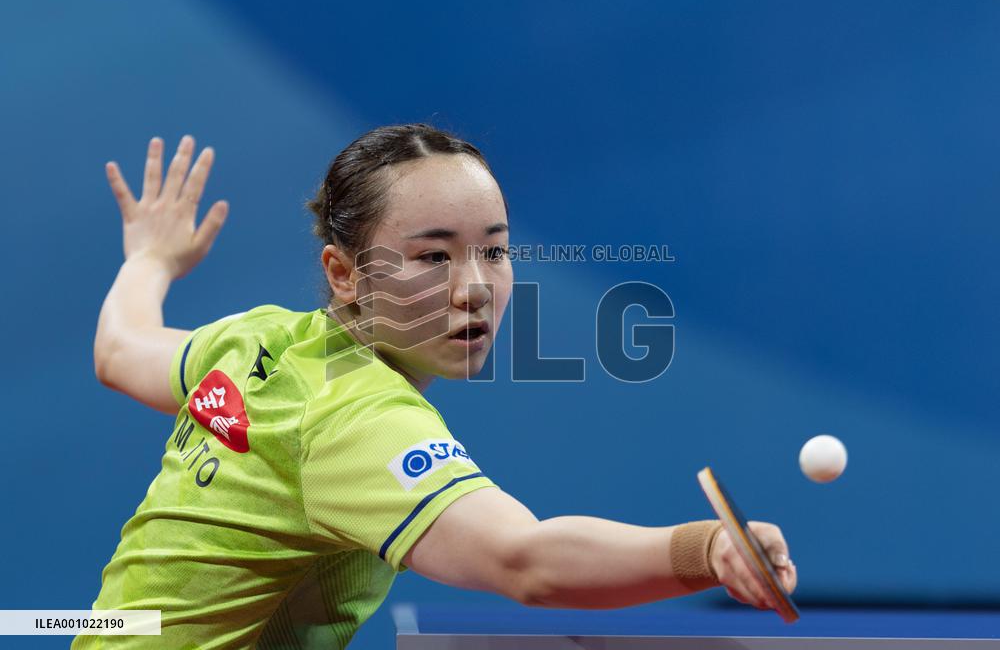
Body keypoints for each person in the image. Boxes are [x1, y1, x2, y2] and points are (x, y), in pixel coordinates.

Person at [74, 124, 797, 649]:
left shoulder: (259, 339)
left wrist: (150, 260)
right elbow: (526, 559)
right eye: (433, 256)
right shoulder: (354, 416)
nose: (475, 288)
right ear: (345, 274)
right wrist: (703, 550)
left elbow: (119, 347)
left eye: (494, 250)